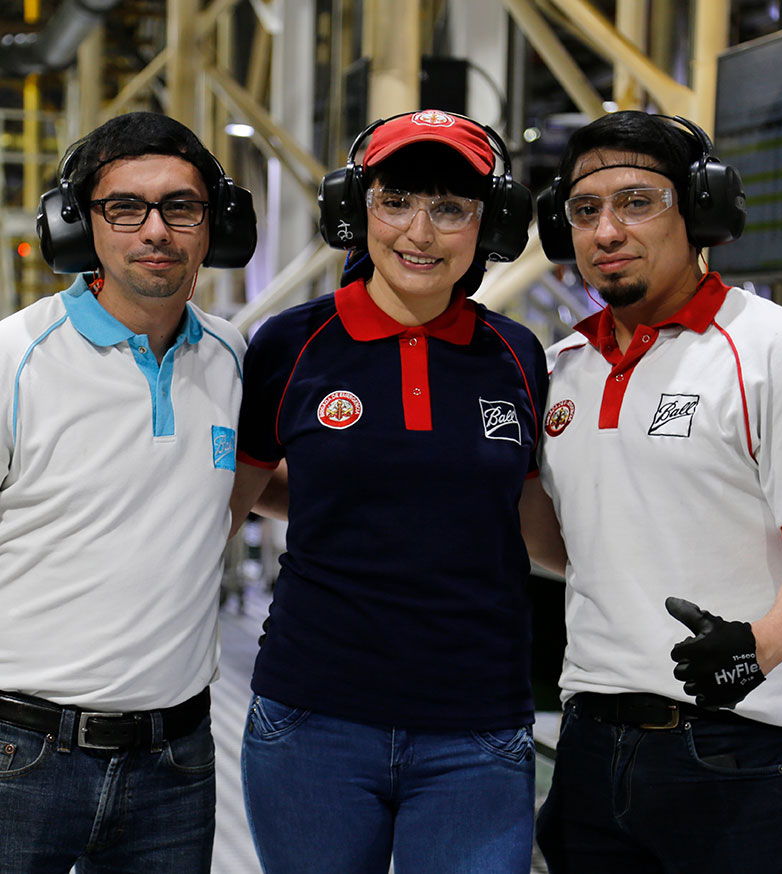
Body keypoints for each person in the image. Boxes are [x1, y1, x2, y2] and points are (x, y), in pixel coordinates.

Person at [229, 108, 563, 873]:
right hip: (313, 720)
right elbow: (229, 500)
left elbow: (528, 520)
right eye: (397, 200)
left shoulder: (515, 355)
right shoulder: (291, 343)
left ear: (489, 223)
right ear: (356, 208)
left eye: (450, 208)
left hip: (475, 728)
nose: (420, 231)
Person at [532, 109, 782, 873]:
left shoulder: (768, 350)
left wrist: (757, 647)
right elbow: (569, 542)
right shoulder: (561, 367)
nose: (606, 230)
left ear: (700, 209)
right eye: (585, 211)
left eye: (637, 202)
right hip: (586, 745)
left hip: (738, 749)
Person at [0, 110, 256, 873]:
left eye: (181, 208)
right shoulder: (15, 359)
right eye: (126, 208)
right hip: (22, 754)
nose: (157, 231)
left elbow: (238, 491)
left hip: (175, 763)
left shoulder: (231, 357)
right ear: (78, 225)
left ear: (216, 227)